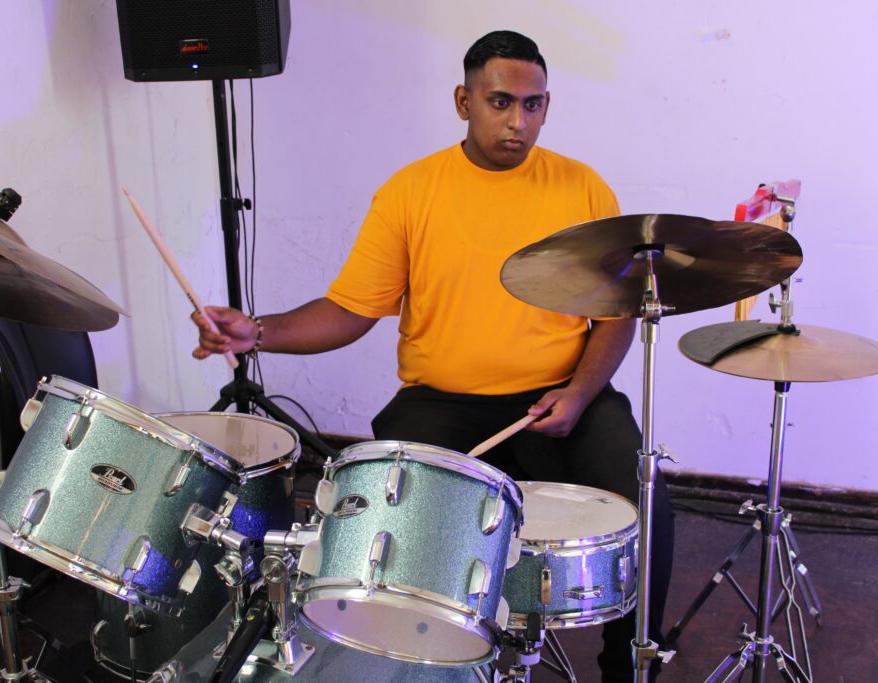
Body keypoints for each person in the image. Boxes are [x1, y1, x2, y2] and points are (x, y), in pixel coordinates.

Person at [192, 30, 674, 682]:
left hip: (562, 395)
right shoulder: (411, 191)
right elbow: (350, 309)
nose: (518, 121)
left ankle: (629, 666)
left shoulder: (582, 189)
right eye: (500, 102)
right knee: (393, 527)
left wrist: (581, 393)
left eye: (532, 105)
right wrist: (256, 331)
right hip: (441, 404)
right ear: (463, 101)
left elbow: (616, 316)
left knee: (647, 498)